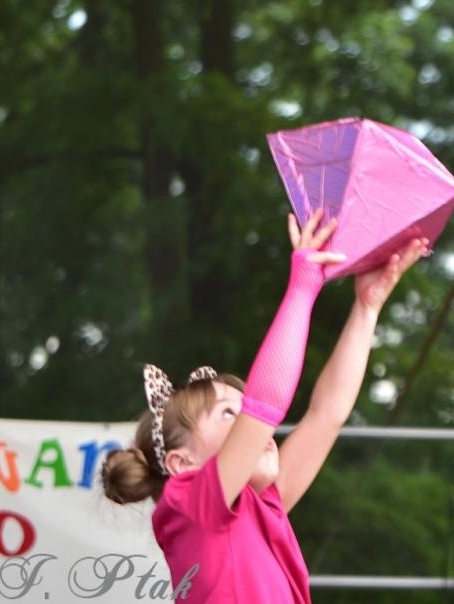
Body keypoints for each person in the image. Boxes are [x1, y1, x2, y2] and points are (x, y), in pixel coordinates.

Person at [100, 211, 426, 604]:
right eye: (228, 414)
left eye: (243, 411)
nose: (254, 428)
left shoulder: (259, 505)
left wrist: (367, 308)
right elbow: (264, 405)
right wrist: (303, 286)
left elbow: (327, 413)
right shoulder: (188, 505)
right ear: (183, 465)